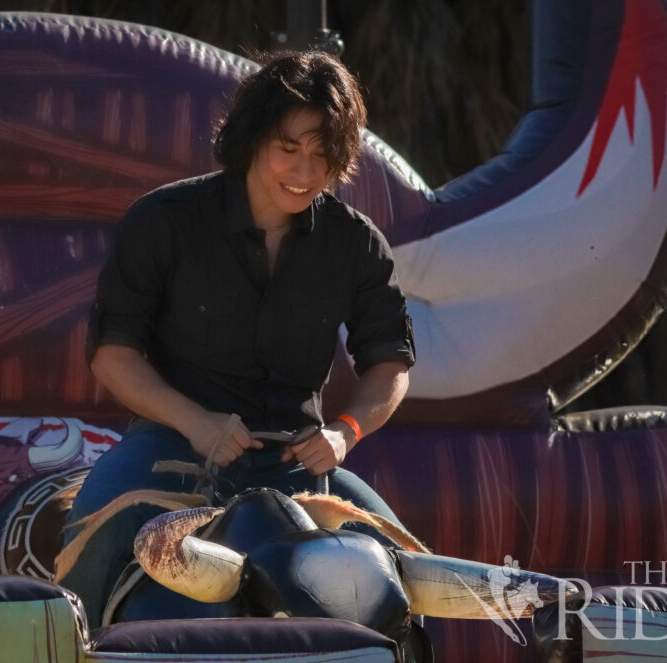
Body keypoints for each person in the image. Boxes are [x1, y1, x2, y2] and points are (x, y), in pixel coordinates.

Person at [58, 50, 416, 626]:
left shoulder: (357, 243)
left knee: (406, 575)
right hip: (170, 450)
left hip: (302, 466)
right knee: (94, 531)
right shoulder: (163, 219)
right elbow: (112, 353)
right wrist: (196, 421)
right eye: (289, 149)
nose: (304, 174)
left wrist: (345, 433)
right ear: (252, 139)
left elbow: (391, 363)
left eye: (323, 156)